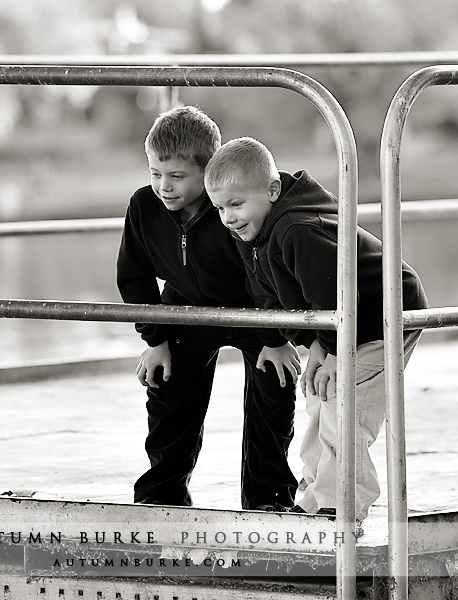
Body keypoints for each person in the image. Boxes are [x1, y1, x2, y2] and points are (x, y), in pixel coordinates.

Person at [204, 136, 428, 522]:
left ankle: (342, 506)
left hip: (380, 316)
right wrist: (315, 347)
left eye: (236, 204)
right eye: (219, 208)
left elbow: (341, 295)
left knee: (345, 409)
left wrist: (336, 352)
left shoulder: (297, 229)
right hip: (339, 323)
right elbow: (270, 294)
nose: (228, 217)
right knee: (319, 401)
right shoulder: (251, 230)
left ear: (272, 190)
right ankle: (313, 498)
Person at [116, 107, 300, 511]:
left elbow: (266, 274)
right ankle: (161, 496)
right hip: (187, 312)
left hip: (255, 311)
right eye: (154, 173)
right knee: (166, 394)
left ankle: (267, 499)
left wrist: (276, 338)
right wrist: (157, 337)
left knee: (275, 391)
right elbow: (135, 278)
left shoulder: (232, 209)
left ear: (209, 171)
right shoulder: (144, 208)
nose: (163, 186)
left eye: (177, 176)